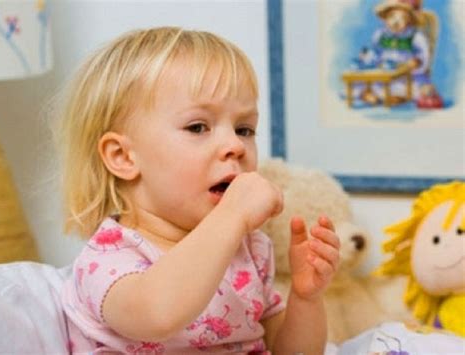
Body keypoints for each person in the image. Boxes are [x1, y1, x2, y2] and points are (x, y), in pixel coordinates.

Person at [59, 26, 340, 354]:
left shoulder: (250, 250)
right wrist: (234, 215)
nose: (235, 145)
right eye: (198, 127)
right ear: (123, 157)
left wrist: (306, 299)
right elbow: (158, 315)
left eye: (244, 129)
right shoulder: (108, 257)